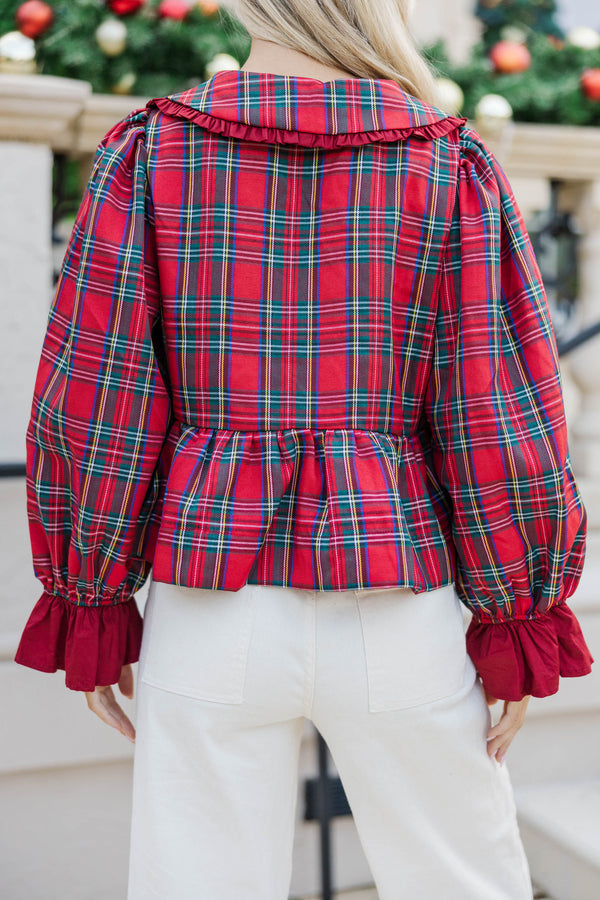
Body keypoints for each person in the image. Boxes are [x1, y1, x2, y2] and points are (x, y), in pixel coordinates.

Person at [14, 1, 594, 898]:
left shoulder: (151, 152)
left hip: (211, 602)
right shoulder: (448, 163)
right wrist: (515, 611)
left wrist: (89, 591)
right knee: (462, 881)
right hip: (399, 594)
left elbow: (96, 395)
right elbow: (501, 411)